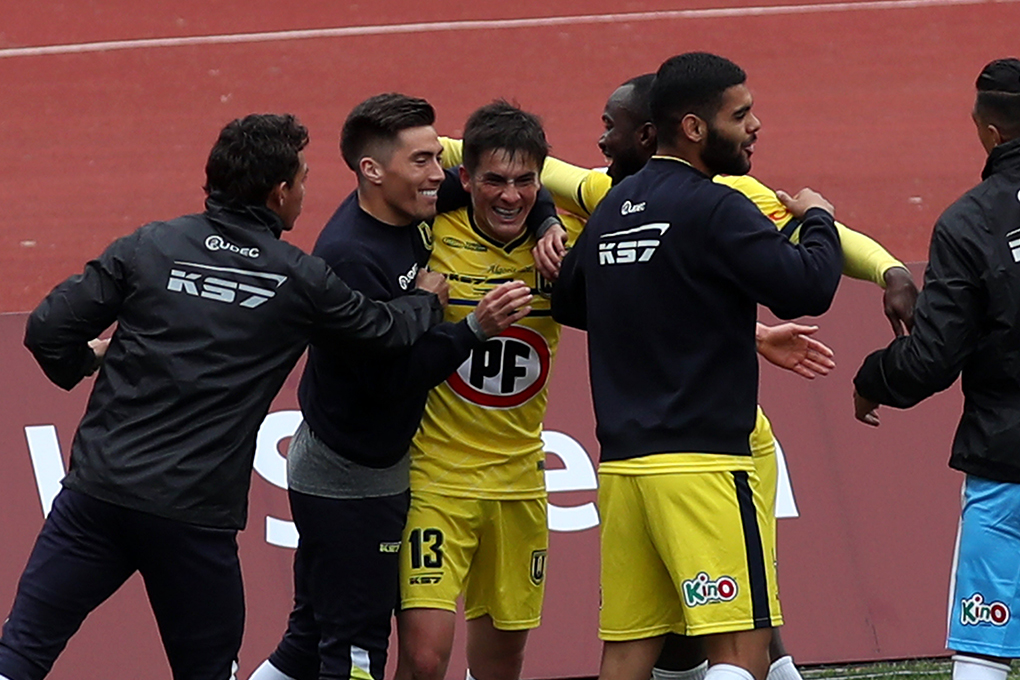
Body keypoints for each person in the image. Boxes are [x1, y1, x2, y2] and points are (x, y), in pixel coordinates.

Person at [0, 114, 450, 680]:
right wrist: (426, 300)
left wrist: (86, 361)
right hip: (194, 523)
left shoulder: (149, 245)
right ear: (280, 192)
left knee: (21, 652)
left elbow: (46, 331)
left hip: (95, 499)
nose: (305, 196)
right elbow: (384, 333)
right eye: (303, 182)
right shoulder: (300, 280)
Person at [518, 72, 919, 680]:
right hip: (705, 465)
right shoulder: (717, 206)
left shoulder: (614, 209)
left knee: (627, 653)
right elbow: (805, 289)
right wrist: (817, 218)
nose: (754, 126)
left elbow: (574, 303)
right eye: (741, 115)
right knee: (739, 650)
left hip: (624, 472)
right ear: (696, 128)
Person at [248, 95, 534, 680]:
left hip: (362, 463)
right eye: (424, 161)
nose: (440, 175)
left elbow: (510, 183)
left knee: (311, 634)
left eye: (438, 160)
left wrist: (548, 217)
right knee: (354, 652)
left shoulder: (413, 202)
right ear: (373, 171)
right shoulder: (351, 259)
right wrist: (471, 326)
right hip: (350, 480)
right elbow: (387, 382)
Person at [853, 58, 1020, 680]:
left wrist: (872, 379)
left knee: (984, 645)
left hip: (1008, 466)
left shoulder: (970, 222)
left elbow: (931, 359)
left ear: (990, 132)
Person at [393, 101, 569, 680]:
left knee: (502, 663)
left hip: (519, 484)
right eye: (494, 180)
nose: (511, 196)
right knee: (422, 659)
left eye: (526, 182)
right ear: (463, 179)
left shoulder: (561, 246)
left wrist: (756, 330)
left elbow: (658, 295)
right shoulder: (428, 234)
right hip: (436, 480)